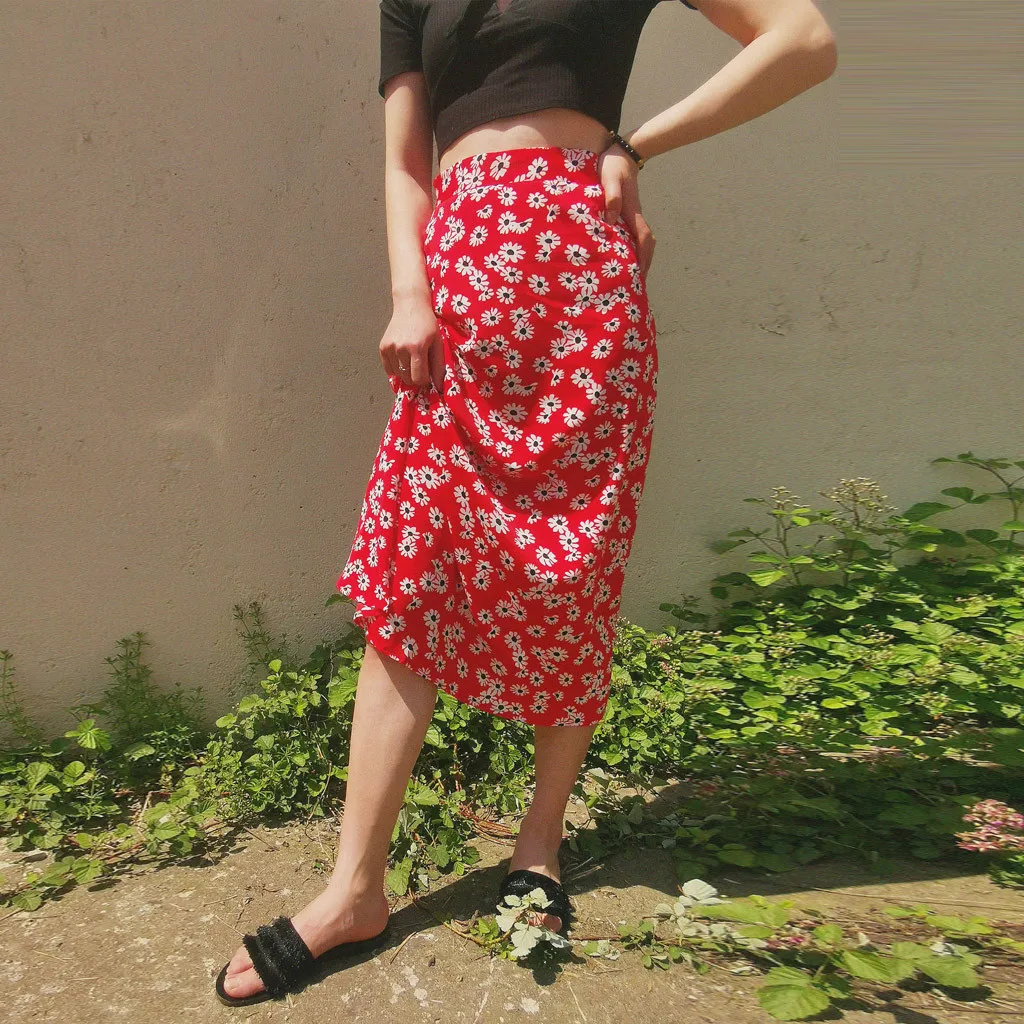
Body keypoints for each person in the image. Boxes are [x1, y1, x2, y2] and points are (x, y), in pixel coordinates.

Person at [215, 0, 837, 1005]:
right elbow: (406, 161)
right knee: (410, 576)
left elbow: (801, 41)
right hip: (456, 294)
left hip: (585, 289)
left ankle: (538, 846)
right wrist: (410, 291)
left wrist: (636, 144)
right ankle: (354, 889)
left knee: (575, 570)